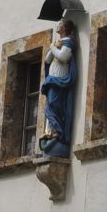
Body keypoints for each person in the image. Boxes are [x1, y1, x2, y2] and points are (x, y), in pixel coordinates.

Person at [39, 18, 76, 157]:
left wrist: (54, 47)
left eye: (60, 24)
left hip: (60, 77)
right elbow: (47, 60)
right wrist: (53, 46)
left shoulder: (68, 42)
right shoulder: (59, 42)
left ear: (65, 27)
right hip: (52, 78)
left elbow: (63, 57)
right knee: (50, 105)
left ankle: (58, 132)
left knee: (56, 104)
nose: (57, 25)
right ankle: (50, 132)